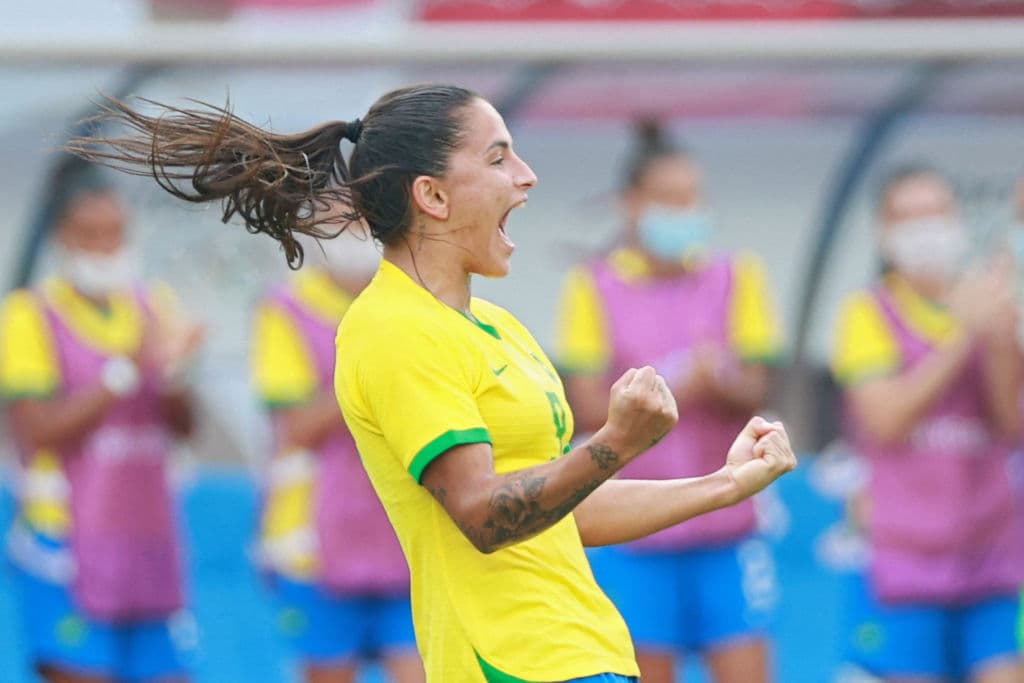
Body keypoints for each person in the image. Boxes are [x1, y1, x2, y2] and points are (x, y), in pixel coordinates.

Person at [66, 83, 797, 683]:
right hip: (512, 663)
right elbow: (483, 514)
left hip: (582, 654)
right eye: (500, 156)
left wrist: (724, 484)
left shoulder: (500, 328)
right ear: (434, 197)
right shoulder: (393, 327)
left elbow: (564, 506)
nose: (528, 176)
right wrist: (615, 441)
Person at [554, 121, 784, 683]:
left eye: (693, 197)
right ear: (632, 204)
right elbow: (585, 405)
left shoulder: (737, 274)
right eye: (670, 198)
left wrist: (722, 380)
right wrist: (675, 386)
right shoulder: (593, 285)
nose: (687, 210)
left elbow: (761, 386)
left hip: (728, 528)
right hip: (636, 529)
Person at [0, 157, 203, 683]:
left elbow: (182, 426)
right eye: (90, 235)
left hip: (145, 544)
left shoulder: (153, 305)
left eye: (115, 234)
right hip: (65, 550)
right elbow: (37, 432)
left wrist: (177, 371)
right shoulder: (29, 316)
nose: (106, 248)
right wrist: (124, 372)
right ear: (62, 238)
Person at [831, 163, 1024, 683]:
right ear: (885, 232)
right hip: (907, 564)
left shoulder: (994, 305)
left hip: (992, 558)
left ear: (960, 220)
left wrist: (1001, 336)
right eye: (909, 216)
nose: (926, 228)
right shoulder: (866, 314)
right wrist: (963, 335)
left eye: (936, 212)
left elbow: (1011, 424)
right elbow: (887, 419)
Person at [251, 225, 423, 683]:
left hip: (404, 537)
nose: (352, 236)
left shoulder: (413, 300)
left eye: (363, 222)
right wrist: (367, 369)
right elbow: (296, 428)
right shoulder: (286, 307)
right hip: (314, 544)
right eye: (337, 222)